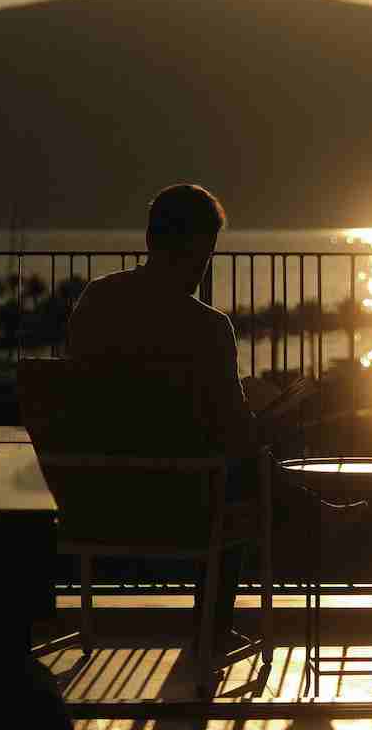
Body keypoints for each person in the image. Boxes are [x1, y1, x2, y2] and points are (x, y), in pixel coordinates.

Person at [67, 183, 266, 651]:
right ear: (200, 249)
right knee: (250, 467)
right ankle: (213, 628)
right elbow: (236, 431)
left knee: (244, 465)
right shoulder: (209, 328)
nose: (205, 264)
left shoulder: (96, 301)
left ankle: (313, 507)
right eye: (207, 252)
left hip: (98, 503)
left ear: (150, 238)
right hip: (188, 510)